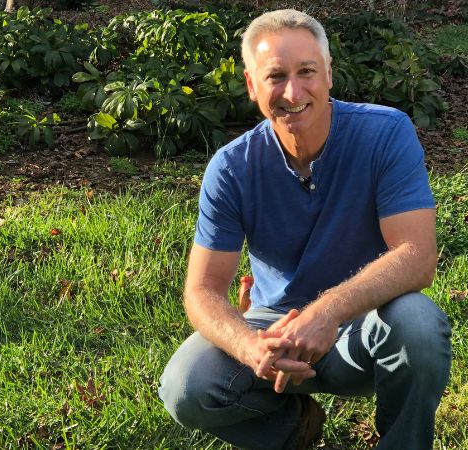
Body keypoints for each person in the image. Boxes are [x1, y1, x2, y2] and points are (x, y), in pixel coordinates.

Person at [158, 9, 451, 450]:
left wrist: (326, 313)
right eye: (275, 76)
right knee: (185, 388)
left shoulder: (386, 134)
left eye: (307, 72)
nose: (292, 92)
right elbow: (202, 290)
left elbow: (417, 255)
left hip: (364, 325)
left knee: (419, 324)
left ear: (329, 74)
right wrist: (249, 346)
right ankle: (294, 428)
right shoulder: (232, 167)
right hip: (272, 333)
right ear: (252, 85)